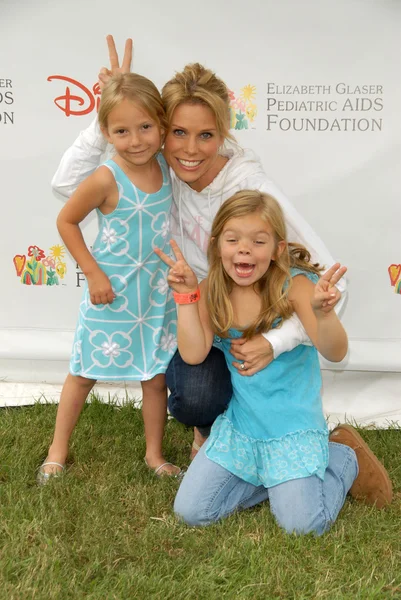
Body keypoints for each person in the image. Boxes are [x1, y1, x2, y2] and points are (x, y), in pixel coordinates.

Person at [52, 36, 347, 458]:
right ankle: (208, 431)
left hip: (257, 332)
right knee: (194, 397)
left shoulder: (251, 187)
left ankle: (281, 433)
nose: (190, 150)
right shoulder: (160, 168)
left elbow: (334, 286)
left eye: (205, 135)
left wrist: (276, 341)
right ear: (161, 132)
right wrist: (111, 109)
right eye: (178, 133)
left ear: (223, 133)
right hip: (202, 323)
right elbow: (66, 187)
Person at [156, 190, 393, 535]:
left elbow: (336, 352)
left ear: (278, 249)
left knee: (303, 526)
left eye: (258, 241)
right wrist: (186, 297)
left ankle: (342, 457)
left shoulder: (295, 286)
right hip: (242, 429)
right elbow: (193, 355)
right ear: (217, 244)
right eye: (233, 239)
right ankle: (279, 482)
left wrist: (322, 314)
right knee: (192, 511)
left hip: (291, 430)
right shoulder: (212, 289)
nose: (244, 249)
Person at [38, 73, 182, 484]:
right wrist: (93, 272)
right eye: (122, 130)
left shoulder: (165, 166)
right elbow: (66, 220)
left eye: (145, 127)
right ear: (106, 132)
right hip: (111, 293)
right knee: (84, 372)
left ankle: (154, 454)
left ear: (161, 124)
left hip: (155, 295)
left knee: (154, 378)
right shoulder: (106, 177)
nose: (136, 140)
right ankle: (57, 450)